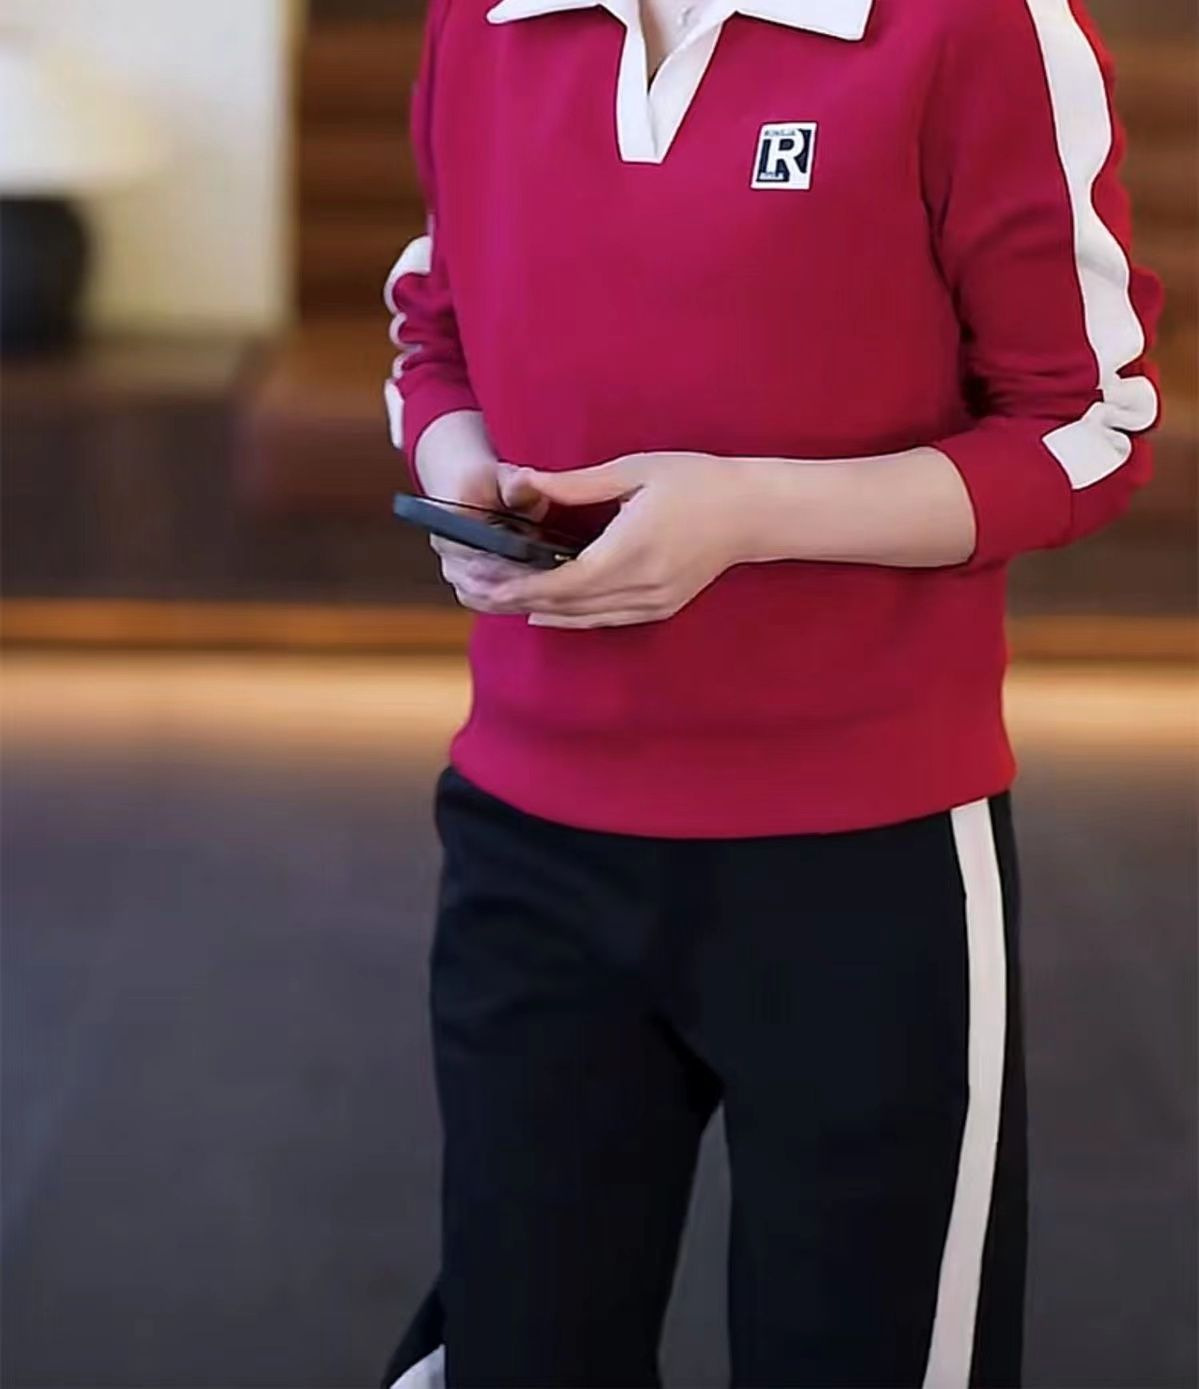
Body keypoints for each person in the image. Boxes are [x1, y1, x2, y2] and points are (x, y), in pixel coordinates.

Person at [379, 0, 1160, 1384]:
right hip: (525, 840)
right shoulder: (480, 20)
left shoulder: (980, 28)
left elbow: (1089, 424)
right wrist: (464, 480)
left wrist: (749, 512)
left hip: (865, 856)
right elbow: (434, 335)